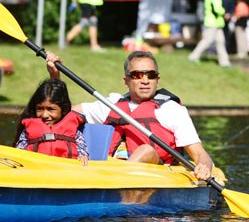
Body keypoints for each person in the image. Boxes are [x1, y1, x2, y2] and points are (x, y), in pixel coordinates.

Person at [46, 51, 214, 181]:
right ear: (126, 80)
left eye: (151, 75)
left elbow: (200, 154)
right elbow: (62, 112)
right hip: (108, 171)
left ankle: (115, 188)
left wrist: (204, 167)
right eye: (137, 75)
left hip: (156, 172)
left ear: (157, 79)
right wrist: (55, 76)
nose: (145, 80)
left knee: (146, 150)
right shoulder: (111, 104)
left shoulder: (171, 110)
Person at [14, 78, 90, 165]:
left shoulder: (74, 131)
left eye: (51, 109)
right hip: (36, 170)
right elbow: (18, 154)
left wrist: (83, 157)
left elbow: (83, 152)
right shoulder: (27, 131)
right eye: (40, 109)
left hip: (65, 172)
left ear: (63, 109)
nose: (44, 115)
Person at [188, 0, 231, 67]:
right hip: (212, 23)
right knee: (207, 41)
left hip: (217, 23)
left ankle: (224, 62)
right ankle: (193, 56)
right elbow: (217, 9)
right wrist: (225, 13)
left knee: (220, 42)